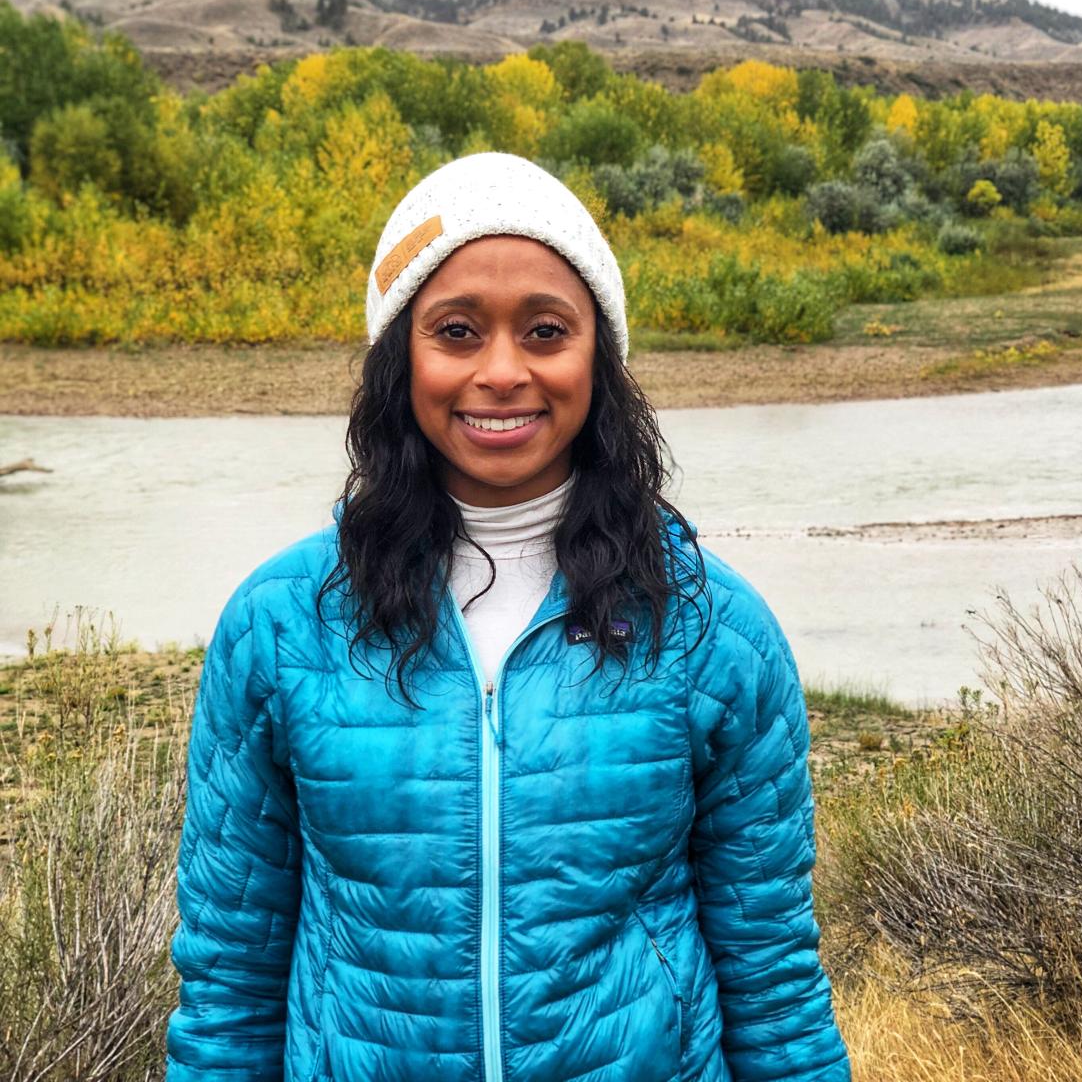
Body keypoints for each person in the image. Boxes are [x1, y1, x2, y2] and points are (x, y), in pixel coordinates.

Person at [163, 152, 852, 1081]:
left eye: (544, 330)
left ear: (597, 356)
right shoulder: (281, 626)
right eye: (455, 331)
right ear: (397, 358)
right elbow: (229, 988)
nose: (501, 372)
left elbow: (773, 981)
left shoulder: (712, 630)